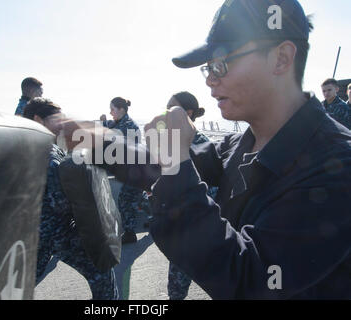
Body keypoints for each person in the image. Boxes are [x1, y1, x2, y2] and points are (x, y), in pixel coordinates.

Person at [61, 0, 351, 299]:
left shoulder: (338, 166)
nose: (211, 79)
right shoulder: (242, 143)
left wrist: (176, 161)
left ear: (280, 58)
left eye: (220, 63)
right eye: (207, 68)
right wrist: (92, 142)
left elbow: (251, 279)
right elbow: (154, 166)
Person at [23, 98, 119, 300]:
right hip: (56, 232)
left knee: (19, 285)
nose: (62, 123)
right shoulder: (46, 154)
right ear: (38, 120)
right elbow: (60, 202)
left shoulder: (36, 147)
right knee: (101, 273)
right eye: (57, 119)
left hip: (41, 234)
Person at [165, 91, 215, 300]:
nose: (165, 113)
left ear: (187, 113)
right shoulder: (178, 141)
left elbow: (212, 190)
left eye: (170, 109)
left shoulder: (196, 145)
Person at [100, 97, 144, 244]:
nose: (110, 112)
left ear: (121, 110)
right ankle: (155, 215)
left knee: (125, 199)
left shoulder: (130, 126)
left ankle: (130, 234)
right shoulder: (119, 123)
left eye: (112, 109)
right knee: (135, 198)